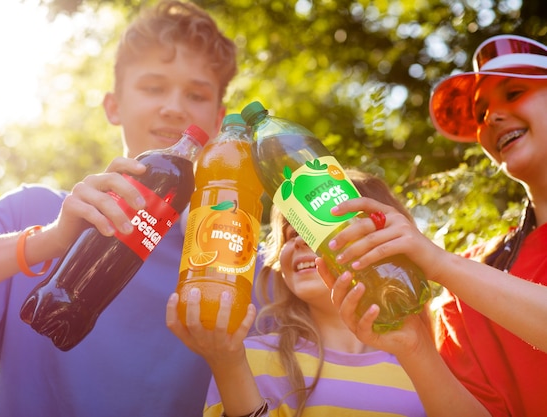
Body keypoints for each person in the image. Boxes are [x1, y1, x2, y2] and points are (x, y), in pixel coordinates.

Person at [0, 1, 237, 415]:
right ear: (113, 106)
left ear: (217, 121)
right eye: (153, 87)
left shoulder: (228, 259)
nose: (174, 107)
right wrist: (49, 240)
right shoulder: (33, 213)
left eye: (195, 94)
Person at [324, 34, 547, 416]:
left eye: (513, 93)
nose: (491, 117)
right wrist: (415, 349)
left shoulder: (456, 273)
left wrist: (440, 263)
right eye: (480, 113)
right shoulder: (472, 276)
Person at [167, 170, 489, 417]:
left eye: (321, 230)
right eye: (292, 233)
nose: (300, 242)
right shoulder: (250, 358)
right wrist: (228, 366)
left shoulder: (433, 362)